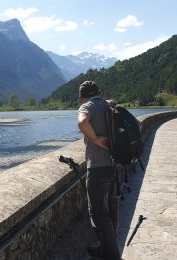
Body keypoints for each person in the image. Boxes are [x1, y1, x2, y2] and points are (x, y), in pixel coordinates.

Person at [77, 80, 120, 260]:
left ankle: (111, 255)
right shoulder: (109, 105)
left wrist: (94, 139)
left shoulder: (86, 106)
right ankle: (106, 248)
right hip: (113, 166)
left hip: (96, 168)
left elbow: (82, 122)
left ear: (82, 96)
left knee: (97, 211)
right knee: (111, 209)